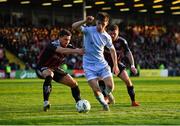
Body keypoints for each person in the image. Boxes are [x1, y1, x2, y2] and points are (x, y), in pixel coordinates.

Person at [72, 12, 119, 111]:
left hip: (102, 64)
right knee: (96, 89)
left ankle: (107, 93)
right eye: (98, 23)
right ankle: (104, 104)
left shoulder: (107, 36)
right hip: (88, 66)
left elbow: (112, 50)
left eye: (102, 24)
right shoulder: (88, 30)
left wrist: (115, 65)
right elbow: (74, 26)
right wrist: (85, 21)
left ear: (106, 24)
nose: (100, 26)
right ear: (96, 22)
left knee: (110, 86)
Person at [35, 29, 84, 112]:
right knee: (49, 74)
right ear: (60, 38)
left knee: (74, 83)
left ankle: (79, 103)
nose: (67, 42)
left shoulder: (68, 46)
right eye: (65, 39)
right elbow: (62, 50)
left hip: (55, 68)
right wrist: (77, 51)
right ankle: (46, 102)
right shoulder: (52, 44)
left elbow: (79, 50)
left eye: (68, 40)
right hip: (42, 67)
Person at [99, 24, 140, 106]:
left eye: (115, 33)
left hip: (117, 64)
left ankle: (133, 101)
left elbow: (128, 52)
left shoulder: (122, 41)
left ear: (118, 32)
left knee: (128, 81)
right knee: (102, 82)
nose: (113, 35)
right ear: (107, 32)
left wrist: (132, 65)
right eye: (111, 33)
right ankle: (106, 98)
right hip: (104, 65)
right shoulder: (102, 40)